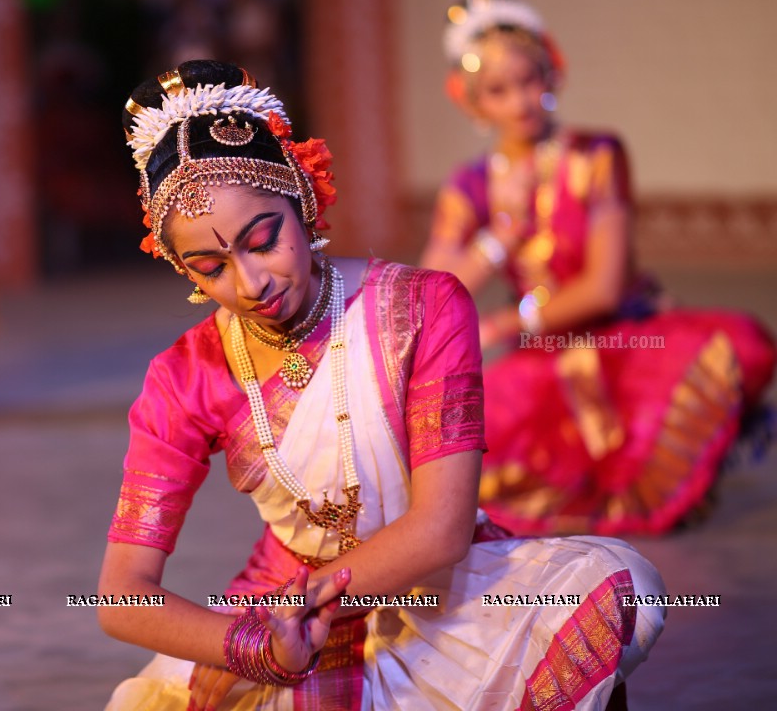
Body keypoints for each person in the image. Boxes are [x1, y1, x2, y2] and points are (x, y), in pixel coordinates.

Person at [100, 60, 664, 710]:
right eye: (212, 267)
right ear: (184, 271)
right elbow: (122, 593)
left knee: (616, 588)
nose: (251, 282)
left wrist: (303, 606)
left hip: (440, 587)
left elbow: (440, 531)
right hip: (284, 614)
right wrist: (259, 644)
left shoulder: (423, 305)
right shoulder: (184, 375)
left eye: (263, 240)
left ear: (303, 202)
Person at [421, 0, 776, 536]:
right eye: (498, 90)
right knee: (453, 438)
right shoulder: (469, 187)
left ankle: (695, 448)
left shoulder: (596, 155)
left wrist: (502, 323)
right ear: (470, 101)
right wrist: (503, 235)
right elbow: (436, 290)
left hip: (624, 339)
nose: (519, 100)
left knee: (743, 344)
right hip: (541, 356)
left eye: (529, 79)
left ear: (552, 72)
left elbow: (604, 289)